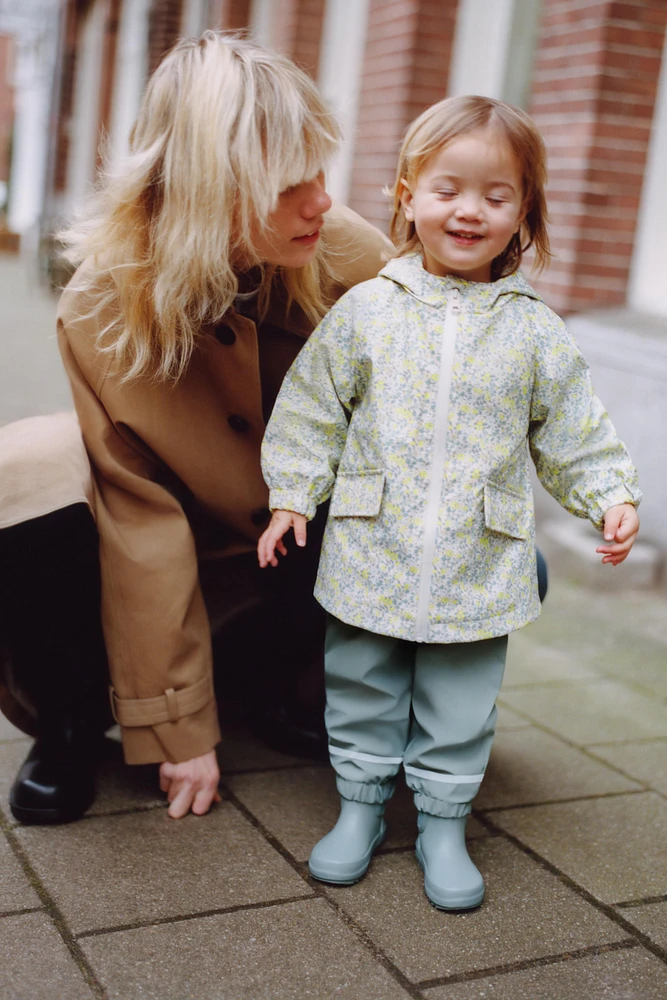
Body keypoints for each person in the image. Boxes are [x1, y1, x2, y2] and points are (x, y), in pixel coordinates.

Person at [257, 95, 641, 911]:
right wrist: (292, 496)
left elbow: (570, 427)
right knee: (360, 679)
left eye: (495, 197)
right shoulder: (366, 310)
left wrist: (607, 494)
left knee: (459, 698)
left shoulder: (534, 330)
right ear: (405, 194)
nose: (468, 210)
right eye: (447, 188)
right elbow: (312, 409)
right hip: (372, 543)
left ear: (522, 215)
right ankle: (359, 809)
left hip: (477, 552)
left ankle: (441, 820)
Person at [0, 31, 390, 825]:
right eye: (288, 183)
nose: (320, 199)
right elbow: (138, 518)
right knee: (24, 470)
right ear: (204, 191)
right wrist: (176, 728)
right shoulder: (101, 306)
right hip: (171, 556)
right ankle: (74, 717)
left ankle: (285, 682)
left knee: (517, 573)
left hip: (301, 548)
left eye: (320, 168)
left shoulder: (352, 263)